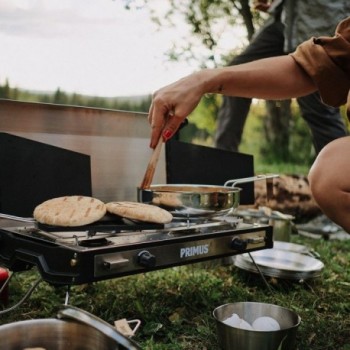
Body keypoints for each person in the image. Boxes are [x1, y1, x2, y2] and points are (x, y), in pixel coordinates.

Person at [147, 17, 350, 233]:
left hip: (314, 11)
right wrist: (202, 81)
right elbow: (310, 68)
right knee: (330, 175)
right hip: (290, 11)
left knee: (329, 166)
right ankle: (220, 172)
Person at [215, 0, 349, 154]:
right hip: (285, 19)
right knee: (234, 76)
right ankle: (223, 161)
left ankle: (341, 171)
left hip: (320, 23)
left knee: (317, 107)